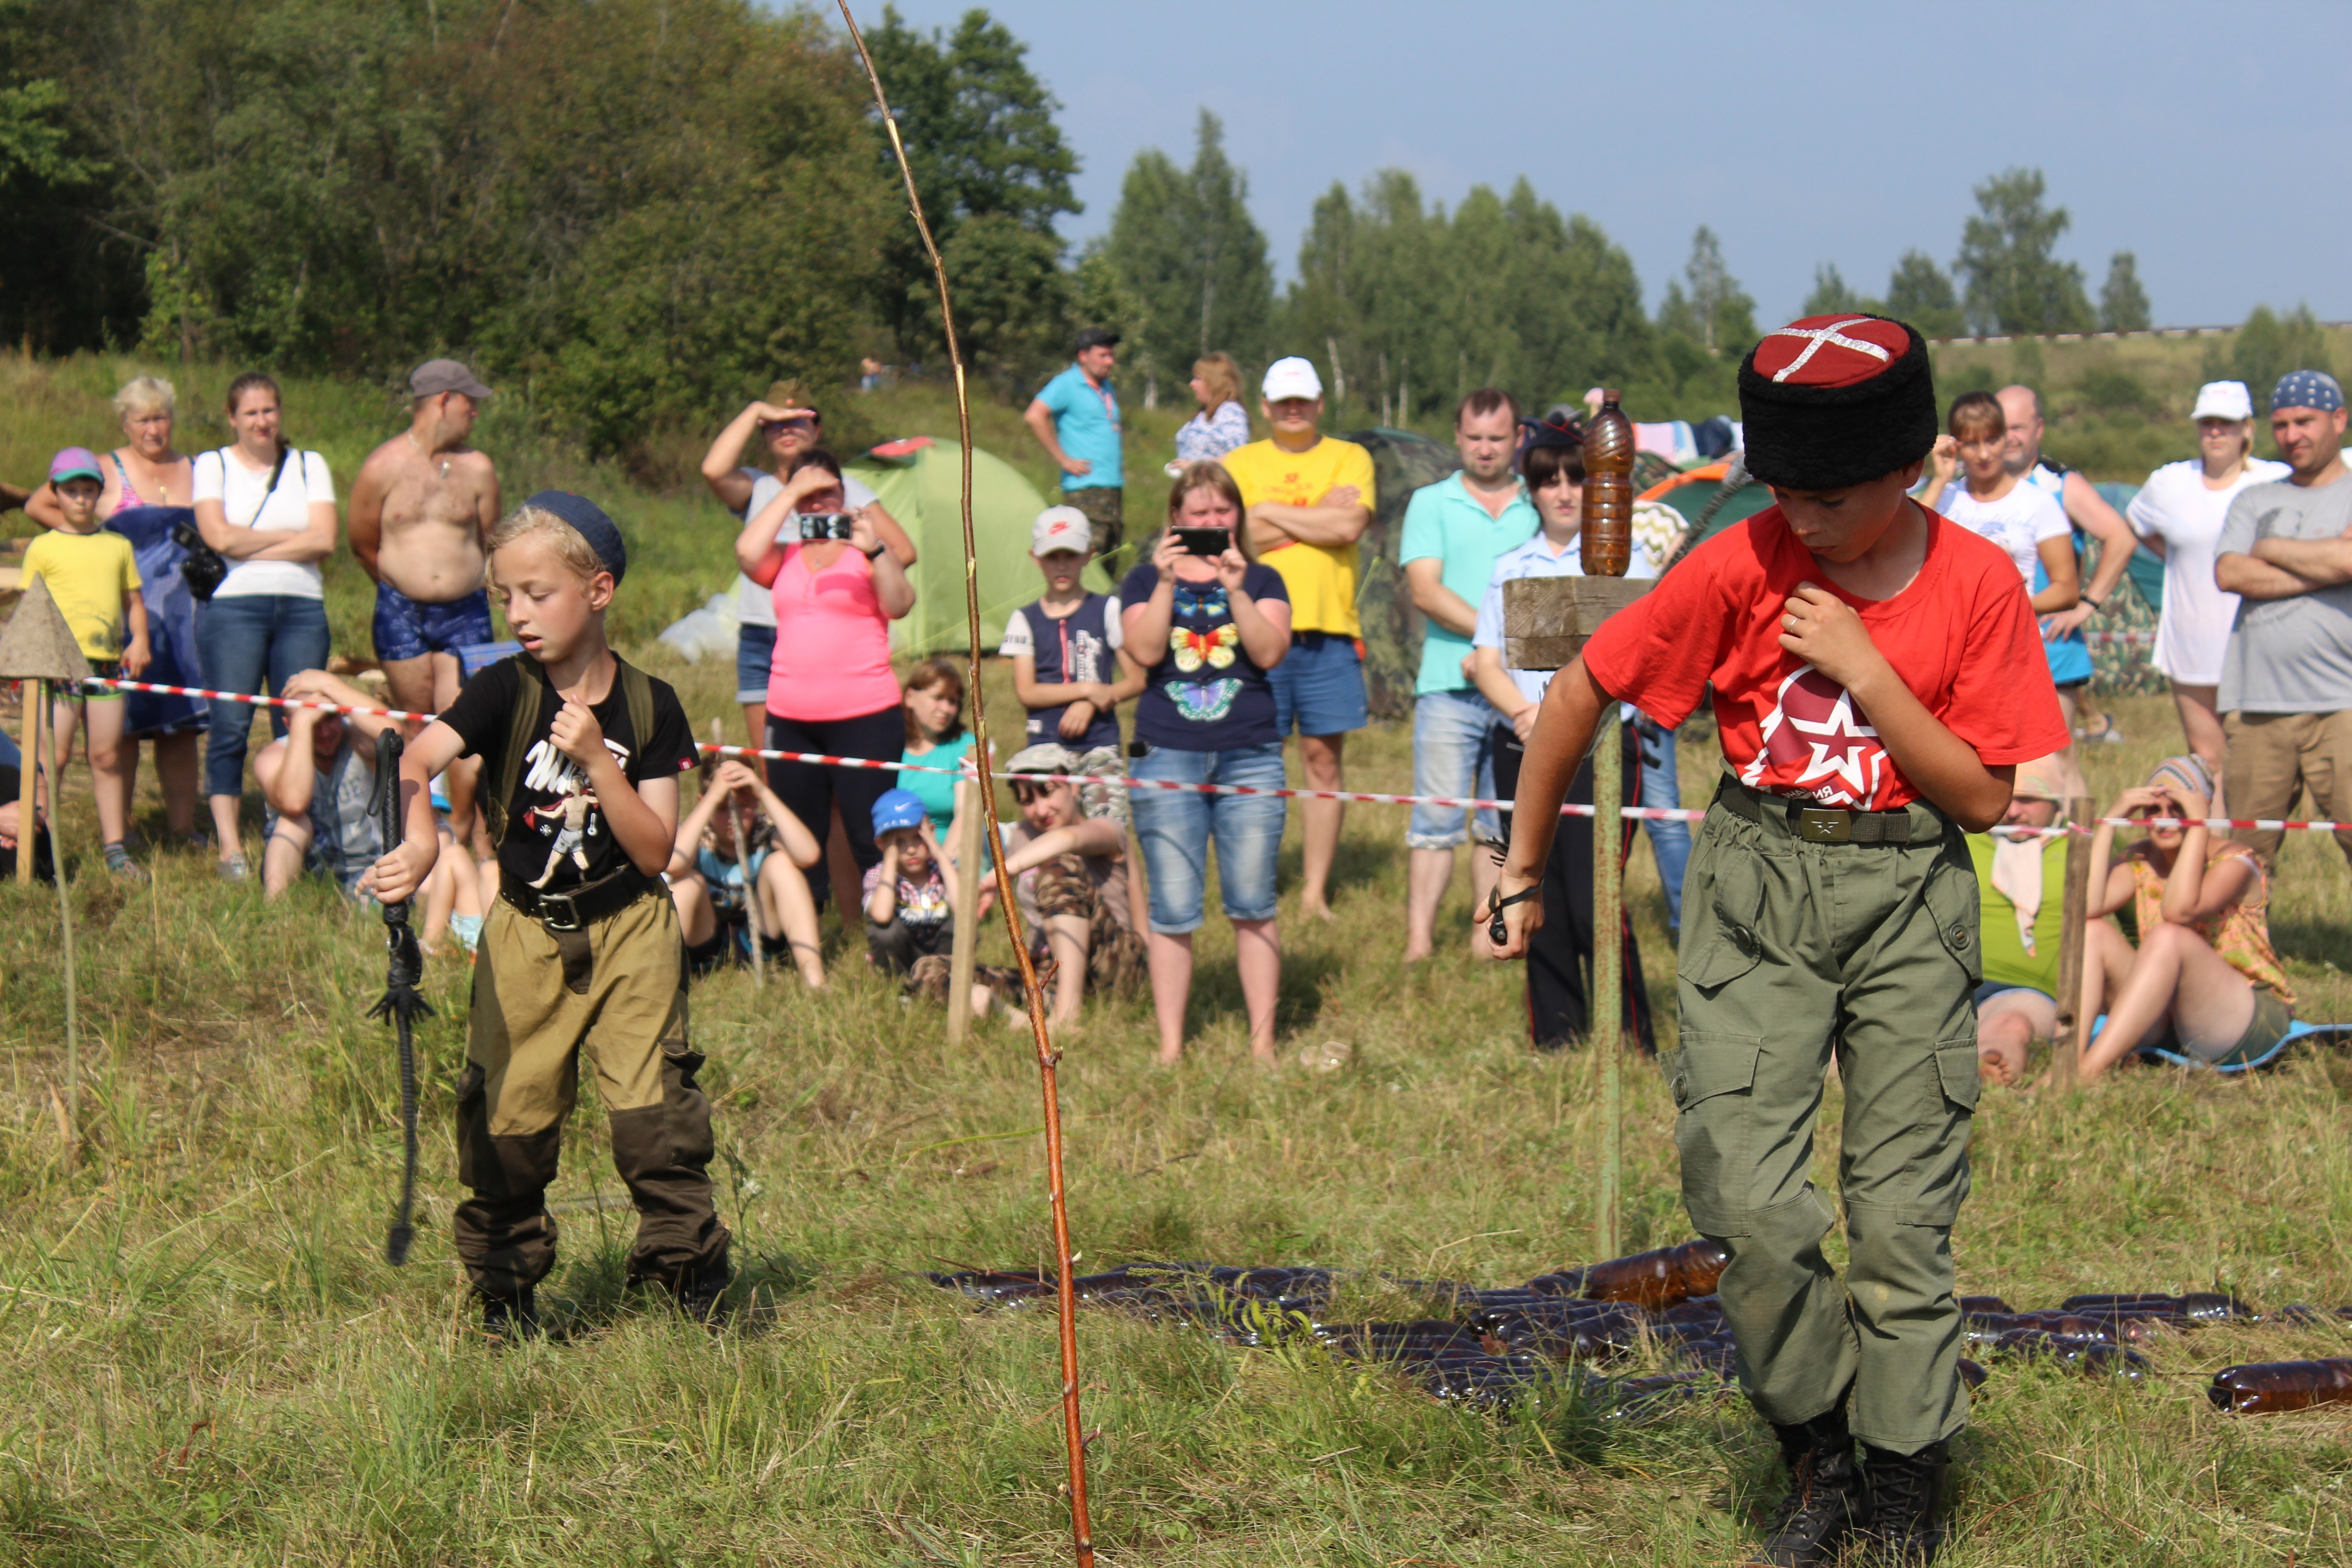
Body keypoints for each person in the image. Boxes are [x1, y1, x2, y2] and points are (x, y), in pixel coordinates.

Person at [1490, 314, 2068, 1565]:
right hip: (1758, 887)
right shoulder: (1738, 562)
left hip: (1911, 886)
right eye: (1785, 491)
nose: (1803, 520)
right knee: (1747, 1202)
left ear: (1908, 466)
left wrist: (1864, 666)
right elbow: (1582, 685)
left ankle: (1908, 1479)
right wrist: (1521, 868)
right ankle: (1821, 1452)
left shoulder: (1976, 584)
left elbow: (1980, 798)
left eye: (1833, 497)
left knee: (1902, 1217)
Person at [370, 491, 727, 1338]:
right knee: (507, 1123)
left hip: (633, 930)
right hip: (525, 930)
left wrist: (598, 761)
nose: (519, 614)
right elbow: (415, 761)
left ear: (598, 590)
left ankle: (686, 1296)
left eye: (538, 593)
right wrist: (419, 845)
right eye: (505, 596)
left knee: (657, 1123)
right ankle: (506, 1304)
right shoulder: (502, 690)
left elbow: (655, 852)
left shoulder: (651, 706)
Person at [1470, 420, 1656, 1052]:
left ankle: (1629, 1039)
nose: (1565, 491)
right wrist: (1530, 715)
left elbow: (1646, 661)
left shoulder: (1633, 566)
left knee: (1596, 897)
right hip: (1522, 743)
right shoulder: (1510, 568)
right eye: (1548, 479)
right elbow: (1486, 660)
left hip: (1606, 748)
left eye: (1577, 476)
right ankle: (1556, 1039)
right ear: (1532, 490)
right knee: (1531, 891)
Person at [1119, 461, 1293, 1064]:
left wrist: (1237, 587)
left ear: (1238, 516)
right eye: (1200, 514)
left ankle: (1263, 1046)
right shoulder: (1143, 580)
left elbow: (1269, 652)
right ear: (1175, 520)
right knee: (1172, 908)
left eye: (1223, 512)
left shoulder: (1265, 578)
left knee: (1253, 903)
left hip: (1250, 755)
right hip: (1167, 753)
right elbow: (1141, 654)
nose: (1213, 524)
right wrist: (1168, 583)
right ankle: (1171, 1048)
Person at [735, 448, 917, 921]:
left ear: (845, 495)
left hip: (865, 717)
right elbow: (746, 553)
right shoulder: (785, 557)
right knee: (798, 837)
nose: (818, 504)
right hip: (791, 719)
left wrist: (873, 548)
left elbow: (899, 604)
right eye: (808, 497)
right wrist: (791, 492)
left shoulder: (867, 551)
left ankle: (885, 939)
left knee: (869, 834)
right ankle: (804, 940)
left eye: (828, 493)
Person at [1223, 356, 1376, 920]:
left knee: (1322, 760)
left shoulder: (1350, 457)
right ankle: (1252, 885)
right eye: (1282, 401)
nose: (1293, 409)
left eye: (1303, 400)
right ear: (1264, 407)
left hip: (1329, 631)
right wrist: (1309, 515)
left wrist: (1267, 514)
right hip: (1254, 627)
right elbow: (1232, 538)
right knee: (1253, 758)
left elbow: (1349, 526)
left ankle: (1314, 892)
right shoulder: (1238, 463)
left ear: (1319, 405)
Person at [25, 377, 207, 847]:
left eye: (161, 417)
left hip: (186, 618)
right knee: (121, 730)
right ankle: (120, 833)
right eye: (143, 419)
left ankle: (183, 829)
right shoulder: (105, 470)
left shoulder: (199, 469)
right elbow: (38, 503)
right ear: (125, 423)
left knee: (181, 726)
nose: (153, 429)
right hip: (124, 619)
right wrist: (85, 543)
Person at [698, 383, 916, 746]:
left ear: (817, 430)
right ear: (764, 433)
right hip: (761, 627)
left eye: (799, 421)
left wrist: (848, 562)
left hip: (832, 635)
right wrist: (754, 411)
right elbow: (712, 470)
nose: (786, 430)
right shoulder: (758, 484)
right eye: (775, 424)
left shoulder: (846, 487)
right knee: (773, 757)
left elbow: (903, 550)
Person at [1399, 389, 1536, 962]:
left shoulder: (1542, 502)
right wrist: (1491, 643)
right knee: (1435, 818)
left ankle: (1489, 938)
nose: (1485, 449)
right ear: (1457, 436)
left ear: (1518, 438)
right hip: (1448, 689)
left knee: (1498, 821)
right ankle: (1418, 944)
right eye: (1474, 438)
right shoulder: (1430, 502)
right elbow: (1425, 589)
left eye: (1497, 438)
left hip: (1517, 693)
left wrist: (1493, 656)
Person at [191, 373, 340, 882]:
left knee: (299, 724)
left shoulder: (309, 465)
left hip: (302, 608)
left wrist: (248, 541)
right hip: (233, 609)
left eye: (269, 411)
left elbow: (325, 539)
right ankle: (230, 846)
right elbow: (216, 536)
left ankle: (294, 836)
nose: (262, 422)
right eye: (251, 413)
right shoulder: (212, 465)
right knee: (230, 725)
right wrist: (291, 537)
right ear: (233, 418)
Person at [346, 359, 503, 836]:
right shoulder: (383, 466)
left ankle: (468, 834)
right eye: (469, 403)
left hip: (467, 611)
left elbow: (493, 539)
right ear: (443, 401)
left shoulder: (479, 468)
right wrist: (401, 583)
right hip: (402, 610)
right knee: (414, 724)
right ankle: (418, 833)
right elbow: (361, 539)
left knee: (465, 727)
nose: (475, 413)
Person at [2078, 755, 2296, 1081]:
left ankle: (2084, 1074)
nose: (2164, 821)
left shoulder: (2236, 860)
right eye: (2154, 810)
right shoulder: (2141, 859)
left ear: (2202, 808)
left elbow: (2179, 911)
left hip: (2246, 1015)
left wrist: (2198, 825)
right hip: (2171, 1015)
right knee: (2092, 932)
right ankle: (2069, 1059)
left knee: (2169, 937)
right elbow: (2087, 908)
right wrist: (2110, 823)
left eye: (2177, 809)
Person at [2212, 370, 2352, 872]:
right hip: (2257, 704)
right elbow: (2229, 571)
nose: (2293, 435)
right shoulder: (2255, 499)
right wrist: (2328, 561)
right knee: (2244, 855)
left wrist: (2269, 550)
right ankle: (2241, 952)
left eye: (2305, 421)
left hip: (2344, 703)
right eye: (2283, 424)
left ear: (2339, 419)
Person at [2126, 382, 2289, 781]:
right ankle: (2213, 843)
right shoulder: (2169, 482)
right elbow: (2137, 523)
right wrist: (2179, 558)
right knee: (2207, 761)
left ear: (2247, 428)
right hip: (2191, 642)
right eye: (2208, 423)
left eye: (2227, 423)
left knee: (2259, 765)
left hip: (2259, 642)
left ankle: (2246, 843)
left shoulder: (2277, 479)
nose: (2216, 432)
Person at [1925, 391, 2082, 789]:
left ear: (2005, 439)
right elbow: (1904, 546)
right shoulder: (1945, 498)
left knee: (2054, 763)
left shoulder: (2039, 503)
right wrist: (1941, 478)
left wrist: (2006, 609)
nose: (1982, 454)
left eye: (1990, 439)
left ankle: (2078, 847)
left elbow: (2067, 589)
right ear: (1956, 445)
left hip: (2024, 652)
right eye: (1971, 443)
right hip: (1955, 656)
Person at [22, 447, 151, 880]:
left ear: (99, 493)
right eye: (71, 490)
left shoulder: (117, 545)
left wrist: (140, 641)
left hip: (106, 664)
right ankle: (41, 840)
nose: (80, 498)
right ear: (56, 494)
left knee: (106, 755)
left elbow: (133, 601)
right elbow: (32, 610)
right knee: (52, 757)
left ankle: (115, 846)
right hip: (58, 666)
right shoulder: (43, 547)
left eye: (88, 490)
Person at [1996, 384, 2141, 745]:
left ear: (2039, 429)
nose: (2008, 437)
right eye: (2000, 427)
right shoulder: (1975, 486)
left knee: (2056, 767)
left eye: (2018, 427)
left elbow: (2121, 538)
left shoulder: (2060, 485)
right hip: (1991, 650)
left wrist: (2087, 605)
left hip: (2051, 648)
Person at [993, 744, 1148, 1029]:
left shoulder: (1107, 829)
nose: (1040, 810)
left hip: (1118, 965)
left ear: (1074, 786)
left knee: (1058, 866)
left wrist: (995, 877)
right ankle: (1018, 1020)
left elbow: (1068, 840)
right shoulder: (1022, 837)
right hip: (1050, 969)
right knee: (935, 972)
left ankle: (1067, 1017)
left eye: (1048, 792)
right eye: (1027, 800)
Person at [252, 669, 418, 904]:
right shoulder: (272, 758)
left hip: (369, 865)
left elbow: (394, 735)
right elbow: (294, 803)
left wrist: (330, 684)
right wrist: (302, 723)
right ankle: (275, 909)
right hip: (310, 867)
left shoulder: (358, 740)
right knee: (291, 824)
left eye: (329, 718)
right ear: (289, 725)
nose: (324, 733)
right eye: (313, 723)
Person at [665, 756, 826, 988]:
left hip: (759, 940)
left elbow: (808, 855)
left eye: (743, 807)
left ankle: (814, 980)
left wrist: (762, 791)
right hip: (706, 946)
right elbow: (673, 864)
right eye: (722, 808)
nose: (733, 817)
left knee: (781, 864)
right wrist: (712, 800)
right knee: (687, 881)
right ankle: (664, 984)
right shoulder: (698, 833)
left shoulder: (763, 830)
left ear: (755, 804)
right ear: (704, 803)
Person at [1966, 754, 2073, 1087]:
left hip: (2027, 992)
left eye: (2028, 800)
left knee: (2012, 1025)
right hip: (1951, 984)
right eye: (2006, 799)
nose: (2013, 812)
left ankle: (1989, 1069)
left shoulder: (2081, 844)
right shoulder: (1965, 837)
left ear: (2056, 803)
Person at [1004, 505, 1143, 754]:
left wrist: (1090, 704)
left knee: (1104, 793)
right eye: (1052, 557)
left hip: (1100, 741)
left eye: (1070, 556)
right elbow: (1027, 692)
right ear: (1035, 558)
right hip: (1044, 741)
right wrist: (1088, 690)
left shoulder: (1109, 609)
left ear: (1088, 555)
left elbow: (1136, 680)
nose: (1061, 566)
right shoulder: (1024, 618)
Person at [1024, 328, 1126, 561]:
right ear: (1083, 356)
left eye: (1112, 355)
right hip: (1086, 488)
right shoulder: (1068, 383)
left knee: (1110, 556)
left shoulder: (1105, 386)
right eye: (1103, 355)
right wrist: (1063, 460)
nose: (1110, 362)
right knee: (1090, 557)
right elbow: (1035, 415)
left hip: (1111, 487)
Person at [899, 656, 981, 840]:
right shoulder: (889, 743)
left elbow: (966, 815)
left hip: (951, 857)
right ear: (910, 697)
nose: (946, 709)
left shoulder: (966, 746)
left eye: (952, 701)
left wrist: (943, 863)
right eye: (938, 698)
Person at [1172, 352, 1250, 469]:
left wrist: (1195, 467)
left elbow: (1237, 457)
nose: (1192, 384)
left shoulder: (1231, 413)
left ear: (1214, 383)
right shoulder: (1203, 413)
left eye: (1198, 379)